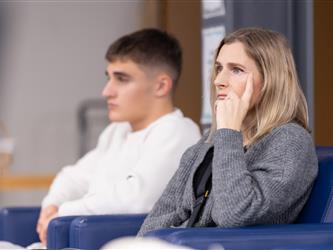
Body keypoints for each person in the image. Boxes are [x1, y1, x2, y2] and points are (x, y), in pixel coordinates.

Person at [138, 27, 318, 236]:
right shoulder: (209, 142)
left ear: (270, 80)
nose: (218, 81)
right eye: (219, 68)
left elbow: (233, 215)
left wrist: (229, 131)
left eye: (236, 70)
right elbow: (157, 220)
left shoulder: (290, 141)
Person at [36, 28, 201, 245]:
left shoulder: (179, 132)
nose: (107, 91)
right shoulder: (117, 131)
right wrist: (52, 205)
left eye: (121, 79)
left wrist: (63, 212)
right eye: (109, 78)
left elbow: (136, 200)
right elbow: (74, 177)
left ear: (161, 85)